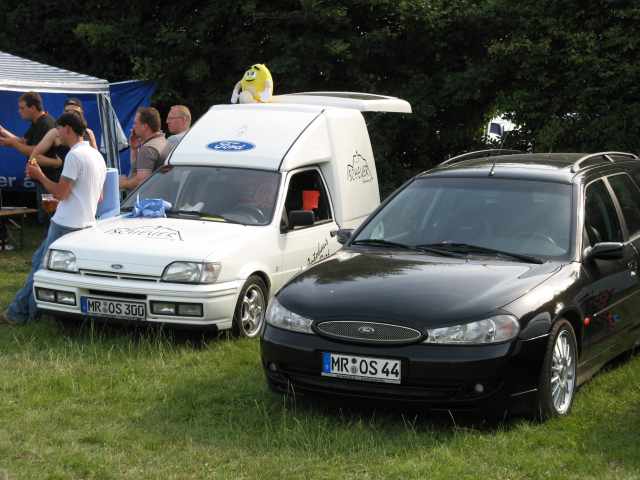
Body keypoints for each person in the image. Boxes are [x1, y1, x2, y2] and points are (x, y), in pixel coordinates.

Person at [1, 112, 106, 325]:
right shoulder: (96, 155)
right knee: (45, 266)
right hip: (86, 222)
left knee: (39, 267)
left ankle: (16, 314)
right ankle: (30, 312)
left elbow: (60, 193)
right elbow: (99, 196)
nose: (56, 133)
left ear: (67, 129)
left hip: (66, 223)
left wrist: (39, 175)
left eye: (58, 129)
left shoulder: (74, 156)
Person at [0, 92, 57, 224]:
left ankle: (51, 244)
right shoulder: (37, 123)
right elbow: (23, 142)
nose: (19, 111)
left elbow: (34, 151)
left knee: (49, 219)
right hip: (42, 179)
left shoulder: (46, 124)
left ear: (33, 108)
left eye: (22, 108)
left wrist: (12, 143)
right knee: (45, 218)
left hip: (49, 180)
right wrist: (3, 132)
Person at [119, 107, 166, 192]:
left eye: (135, 123)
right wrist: (134, 149)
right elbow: (137, 171)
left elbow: (141, 181)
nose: (133, 127)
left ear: (145, 126)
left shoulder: (148, 149)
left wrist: (123, 183)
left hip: (150, 201)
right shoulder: (163, 141)